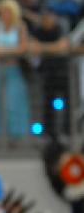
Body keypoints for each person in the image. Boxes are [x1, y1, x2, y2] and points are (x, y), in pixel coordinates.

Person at [0, 0, 30, 140]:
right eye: (2, 11)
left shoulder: (20, 26)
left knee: (14, 102)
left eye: (7, 11)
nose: (4, 14)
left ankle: (17, 135)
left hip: (13, 69)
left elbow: (23, 48)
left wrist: (3, 51)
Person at [29, 9, 70, 138]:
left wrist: (44, 48)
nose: (47, 20)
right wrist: (52, 48)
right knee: (48, 103)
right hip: (47, 73)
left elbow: (62, 46)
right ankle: (49, 132)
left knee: (66, 102)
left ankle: (67, 129)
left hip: (63, 72)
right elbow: (33, 47)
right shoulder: (38, 30)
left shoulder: (60, 28)